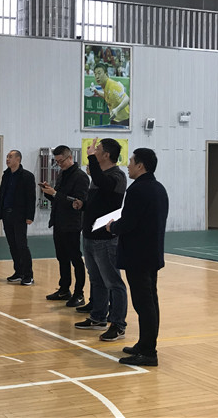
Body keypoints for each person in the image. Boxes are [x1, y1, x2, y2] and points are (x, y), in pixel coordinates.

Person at [106, 148, 168, 366]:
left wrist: (113, 227)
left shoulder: (138, 190)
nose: (128, 165)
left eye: (131, 161)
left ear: (140, 165)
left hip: (138, 256)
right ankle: (144, 344)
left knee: (144, 304)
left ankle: (149, 352)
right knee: (150, 301)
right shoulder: (158, 188)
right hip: (151, 254)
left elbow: (129, 222)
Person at [72, 138, 128, 342]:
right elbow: (99, 202)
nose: (94, 152)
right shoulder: (99, 176)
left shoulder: (117, 176)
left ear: (106, 155)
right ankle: (98, 317)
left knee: (113, 282)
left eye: (98, 150)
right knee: (96, 279)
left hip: (105, 238)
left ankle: (118, 324)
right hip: (90, 235)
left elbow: (105, 188)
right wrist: (83, 204)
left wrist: (90, 159)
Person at [39, 145, 90, 307]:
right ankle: (64, 289)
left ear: (70, 158)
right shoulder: (62, 174)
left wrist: (55, 194)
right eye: (57, 162)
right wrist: (49, 192)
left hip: (72, 223)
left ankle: (79, 293)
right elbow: (58, 198)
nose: (59, 164)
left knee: (75, 258)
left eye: (61, 161)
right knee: (62, 257)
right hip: (59, 221)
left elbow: (78, 202)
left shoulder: (81, 177)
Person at [0, 150, 36, 286]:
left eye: (10, 157)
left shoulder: (27, 176)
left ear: (18, 159)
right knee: (12, 245)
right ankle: (19, 272)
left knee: (21, 245)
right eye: (7, 157)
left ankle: (28, 275)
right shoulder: (6, 175)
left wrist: (30, 216)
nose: (7, 159)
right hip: (7, 214)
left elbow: (31, 198)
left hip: (20, 215)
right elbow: (2, 195)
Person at [93, 62, 130, 126]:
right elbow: (109, 96)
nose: (97, 77)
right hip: (115, 119)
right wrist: (98, 92)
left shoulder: (113, 86)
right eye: (95, 74)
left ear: (106, 74)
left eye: (99, 73)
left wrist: (116, 109)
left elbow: (127, 98)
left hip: (124, 121)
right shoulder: (105, 86)